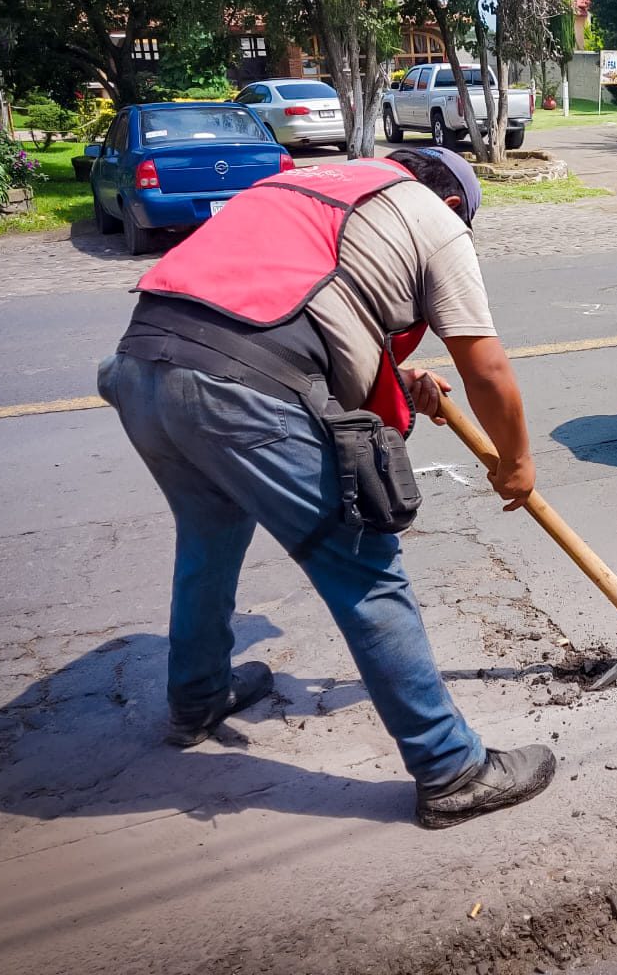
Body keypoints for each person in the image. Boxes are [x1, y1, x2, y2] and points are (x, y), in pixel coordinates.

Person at [96, 145, 555, 830]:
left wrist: (400, 384)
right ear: (455, 203)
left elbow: (277, 312)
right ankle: (450, 769)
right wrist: (516, 462)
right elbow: (486, 368)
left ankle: (196, 699)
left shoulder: (311, 186)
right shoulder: (436, 217)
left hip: (144, 367)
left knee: (209, 537)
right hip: (236, 393)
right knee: (365, 567)